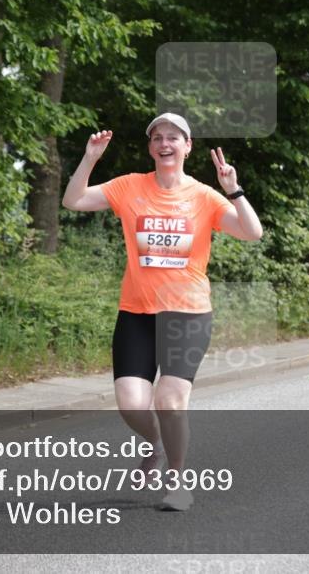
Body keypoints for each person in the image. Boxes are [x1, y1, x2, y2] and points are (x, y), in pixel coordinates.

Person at [61, 112, 262, 511]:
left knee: (170, 400)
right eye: (157, 138)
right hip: (136, 312)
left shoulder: (204, 196)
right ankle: (154, 443)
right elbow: (73, 200)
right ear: (151, 147)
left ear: (187, 147)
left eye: (174, 137)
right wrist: (90, 159)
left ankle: (178, 481)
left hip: (187, 313)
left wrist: (234, 190)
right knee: (131, 403)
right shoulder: (129, 186)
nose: (165, 143)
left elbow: (252, 232)